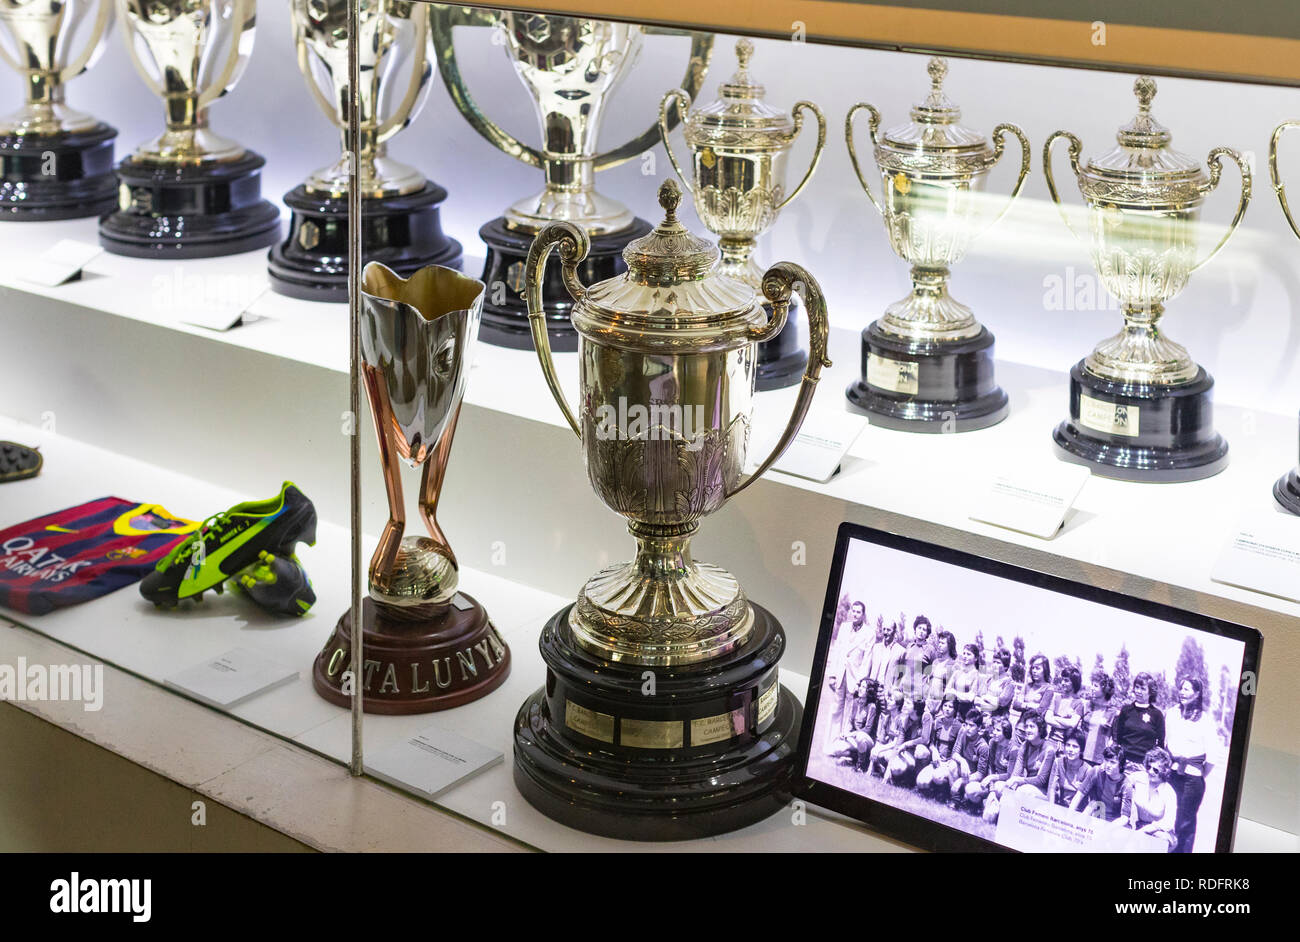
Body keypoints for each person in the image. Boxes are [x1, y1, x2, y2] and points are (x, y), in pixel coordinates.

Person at [1165, 678, 1214, 853]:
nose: (1182, 692)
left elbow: (1212, 757)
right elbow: (1166, 742)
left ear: (1197, 694)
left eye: (1187, 689)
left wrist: (1196, 775)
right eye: (1181, 688)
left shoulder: (1205, 720)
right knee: (1168, 818)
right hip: (1170, 774)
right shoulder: (1171, 713)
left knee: (1184, 823)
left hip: (1192, 779)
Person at [823, 601, 873, 751]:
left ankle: (842, 745)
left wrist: (860, 682)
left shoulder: (869, 633)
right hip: (840, 675)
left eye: (858, 612)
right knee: (835, 709)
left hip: (855, 679)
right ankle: (830, 744)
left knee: (849, 712)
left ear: (863, 615)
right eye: (853, 611)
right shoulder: (844, 628)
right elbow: (837, 651)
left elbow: (867, 660)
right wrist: (832, 675)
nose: (855, 614)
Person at [1122, 747, 1178, 851]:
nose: (1151, 771)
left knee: (1161, 839)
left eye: (1156, 770)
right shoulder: (1139, 778)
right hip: (1139, 825)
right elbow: (1122, 780)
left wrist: (1144, 830)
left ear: (1164, 771)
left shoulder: (1168, 792)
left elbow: (1168, 823)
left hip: (1160, 832)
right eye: (1149, 767)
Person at [1112, 673, 1166, 773]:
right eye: (1137, 687)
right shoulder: (1126, 710)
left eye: (1143, 688)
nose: (1138, 691)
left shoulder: (1157, 714)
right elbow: (1118, 737)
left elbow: (1160, 745)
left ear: (1150, 692)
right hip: (1124, 762)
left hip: (1144, 766)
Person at [967, 716, 1016, 818]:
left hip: (1005, 786)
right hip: (993, 784)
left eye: (998, 730)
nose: (994, 732)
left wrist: (992, 778)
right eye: (994, 729)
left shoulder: (1014, 749)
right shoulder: (993, 743)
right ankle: (980, 806)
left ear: (1006, 732)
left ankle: (1000, 813)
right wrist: (991, 787)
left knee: (988, 818)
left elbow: (1010, 775)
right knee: (970, 789)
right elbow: (991, 767)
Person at [1006, 710, 1057, 800]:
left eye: (1032, 727)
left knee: (1023, 791)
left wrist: (1018, 780)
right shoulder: (1025, 745)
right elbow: (1016, 772)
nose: (1028, 730)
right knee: (1003, 788)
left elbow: (1041, 780)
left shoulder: (1049, 750)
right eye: (1026, 727)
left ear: (1040, 729)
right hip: (1027, 785)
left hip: (1042, 791)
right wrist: (1012, 783)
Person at [825, 679, 875, 770]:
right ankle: (852, 759)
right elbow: (851, 722)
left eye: (863, 687)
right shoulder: (856, 702)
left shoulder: (871, 707)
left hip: (866, 740)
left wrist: (850, 735)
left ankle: (860, 765)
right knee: (836, 749)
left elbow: (867, 729)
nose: (860, 688)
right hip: (854, 739)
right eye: (860, 686)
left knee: (860, 737)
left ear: (869, 691)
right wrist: (845, 733)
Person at [1071, 744, 1126, 821]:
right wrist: (1068, 817)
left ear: (1120, 765)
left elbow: (1124, 818)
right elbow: (1079, 795)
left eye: (1112, 762)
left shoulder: (1126, 784)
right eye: (1106, 760)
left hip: (1114, 822)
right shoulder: (1096, 771)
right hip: (1097, 816)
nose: (1108, 765)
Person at [1010, 655, 1053, 742]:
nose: (1034, 671)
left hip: (1035, 734)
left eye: (1037, 668)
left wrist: (1024, 704)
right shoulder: (1027, 686)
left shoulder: (1048, 689)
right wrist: (1031, 705)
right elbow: (1015, 704)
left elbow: (1040, 710)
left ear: (1045, 670)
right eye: (1033, 668)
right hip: (1020, 729)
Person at [1082, 672, 1120, 765]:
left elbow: (1115, 741)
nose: (1091, 688)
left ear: (1104, 689)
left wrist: (1108, 761)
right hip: (1081, 755)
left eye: (1095, 686)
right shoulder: (1087, 706)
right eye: (1092, 685)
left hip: (1099, 760)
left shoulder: (1113, 712)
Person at [1048, 733, 1090, 807]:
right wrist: (1050, 810)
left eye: (1075, 747)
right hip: (1060, 806)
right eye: (1068, 745)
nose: (1070, 750)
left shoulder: (1088, 770)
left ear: (1081, 750)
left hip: (1076, 811)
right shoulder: (1058, 762)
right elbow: (1051, 788)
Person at [1045, 665, 1085, 742]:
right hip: (1051, 740)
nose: (1062, 683)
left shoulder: (1079, 703)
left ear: (1074, 683)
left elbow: (1072, 724)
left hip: (1067, 745)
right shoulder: (1056, 698)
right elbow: (1047, 719)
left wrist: (1055, 718)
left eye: (1066, 680)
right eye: (1062, 680)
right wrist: (1066, 723)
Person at [945, 642, 984, 719]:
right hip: (952, 713)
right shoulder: (957, 672)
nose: (965, 656)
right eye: (964, 653)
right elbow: (947, 691)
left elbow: (970, 697)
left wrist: (955, 693)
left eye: (968, 654)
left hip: (966, 715)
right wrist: (961, 696)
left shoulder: (977, 676)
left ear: (975, 658)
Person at [924, 630, 958, 717]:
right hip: (929, 703)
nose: (939, 645)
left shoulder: (953, 665)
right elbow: (929, 682)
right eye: (939, 642)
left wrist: (943, 706)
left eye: (942, 643)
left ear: (950, 646)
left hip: (941, 707)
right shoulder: (935, 662)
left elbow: (951, 690)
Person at [974, 647, 1015, 716]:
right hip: (983, 715)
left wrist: (986, 698)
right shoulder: (989, 679)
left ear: (1005, 666)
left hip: (998, 719)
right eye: (994, 662)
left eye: (998, 663)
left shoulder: (1009, 683)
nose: (994, 665)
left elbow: (1001, 703)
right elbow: (977, 699)